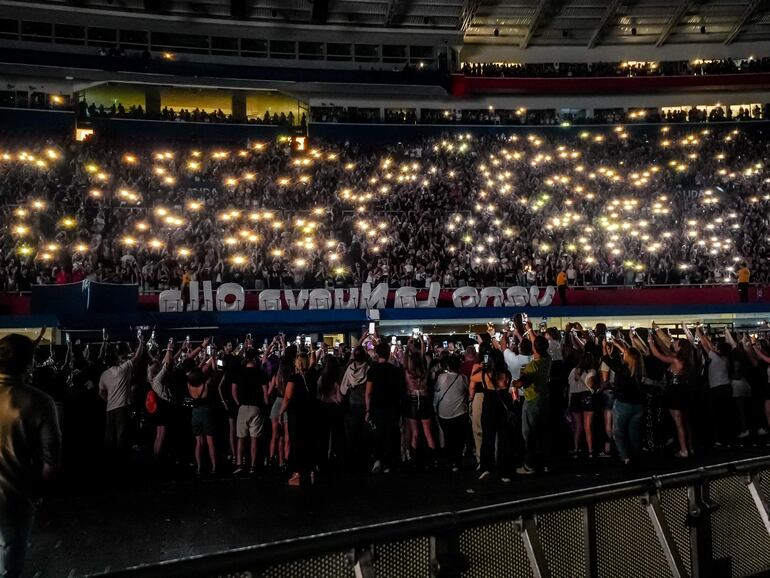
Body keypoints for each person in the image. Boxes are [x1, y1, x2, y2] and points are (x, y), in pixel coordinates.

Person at [0, 332, 61, 578]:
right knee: (8, 568)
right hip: (13, 502)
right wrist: (37, 493)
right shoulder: (40, 402)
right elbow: (51, 462)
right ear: (29, 363)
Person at [648, 330, 694, 458]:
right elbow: (666, 350)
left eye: (676, 343)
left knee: (678, 422)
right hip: (684, 390)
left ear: (680, 347)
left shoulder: (675, 359)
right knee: (685, 421)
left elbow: (657, 355)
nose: (674, 342)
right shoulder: (687, 359)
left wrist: (650, 341)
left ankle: (684, 450)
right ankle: (690, 448)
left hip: (675, 391)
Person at [98, 335, 144, 458]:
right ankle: (121, 461)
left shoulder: (104, 375)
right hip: (122, 407)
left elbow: (101, 392)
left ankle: (110, 460)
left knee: (110, 436)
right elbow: (137, 357)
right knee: (122, 436)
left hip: (110, 409)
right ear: (117, 360)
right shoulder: (122, 370)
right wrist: (141, 342)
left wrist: (108, 400)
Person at [603, 339, 646, 465]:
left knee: (619, 433)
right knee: (634, 434)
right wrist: (619, 345)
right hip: (638, 405)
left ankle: (626, 457)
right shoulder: (638, 368)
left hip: (623, 404)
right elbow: (631, 354)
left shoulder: (622, 369)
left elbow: (607, 359)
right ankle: (636, 458)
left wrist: (604, 347)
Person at [515, 334, 552, 475]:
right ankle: (545, 463)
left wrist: (513, 382)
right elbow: (540, 345)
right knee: (543, 433)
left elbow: (522, 383)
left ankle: (529, 465)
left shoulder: (532, 366)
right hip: (544, 399)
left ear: (534, 348)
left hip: (532, 400)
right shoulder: (547, 359)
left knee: (529, 434)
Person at [365, 342, 404, 474]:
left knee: (377, 434)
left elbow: (368, 393)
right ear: (388, 354)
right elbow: (400, 391)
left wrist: (367, 410)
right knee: (390, 434)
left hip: (377, 407)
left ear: (377, 354)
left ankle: (377, 460)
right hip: (393, 406)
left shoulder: (372, 370)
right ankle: (388, 462)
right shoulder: (396, 371)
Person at [279, 353, 314, 486]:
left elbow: (287, 397)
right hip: (310, 413)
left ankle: (297, 474)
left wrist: (281, 412)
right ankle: (310, 471)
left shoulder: (294, 378)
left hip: (297, 415)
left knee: (297, 443)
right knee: (308, 442)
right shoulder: (312, 375)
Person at [232, 350, 268, 475]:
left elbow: (234, 391)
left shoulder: (239, 373)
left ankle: (240, 464)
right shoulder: (260, 373)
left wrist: (238, 403)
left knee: (241, 438)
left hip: (242, 407)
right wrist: (265, 404)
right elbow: (265, 392)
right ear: (254, 359)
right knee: (254, 439)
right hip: (256, 407)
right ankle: (253, 465)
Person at [403, 337, 437, 466]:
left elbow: (405, 359)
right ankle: (433, 460)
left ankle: (414, 460)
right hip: (424, 400)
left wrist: (408, 345)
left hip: (412, 400)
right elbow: (423, 355)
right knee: (428, 433)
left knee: (415, 433)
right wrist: (422, 342)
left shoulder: (408, 372)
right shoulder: (425, 371)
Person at [433, 355, 469, 472]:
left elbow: (437, 394)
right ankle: (457, 462)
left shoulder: (441, 377)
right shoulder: (463, 378)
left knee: (448, 438)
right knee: (458, 438)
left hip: (444, 413)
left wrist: (434, 406)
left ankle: (450, 461)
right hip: (460, 412)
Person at [340, 346, 369, 471]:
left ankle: (351, 461)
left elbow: (343, 388)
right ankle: (364, 460)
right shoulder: (368, 369)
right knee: (364, 435)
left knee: (352, 435)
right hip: (365, 405)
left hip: (352, 406)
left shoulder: (349, 370)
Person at [187, 362, 217, 475]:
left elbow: (193, 374)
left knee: (198, 442)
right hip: (206, 412)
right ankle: (214, 466)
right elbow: (214, 372)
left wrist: (200, 364)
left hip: (195, 413)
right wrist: (211, 360)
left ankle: (199, 466)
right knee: (210, 442)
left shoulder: (189, 385)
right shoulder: (206, 385)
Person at [316, 353, 344, 471]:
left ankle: (322, 461)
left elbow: (318, 395)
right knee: (334, 435)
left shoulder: (322, 377)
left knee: (323, 435)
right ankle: (333, 458)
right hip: (334, 410)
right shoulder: (337, 380)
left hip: (322, 408)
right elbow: (339, 399)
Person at [567, 352, 597, 457]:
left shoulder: (573, 371)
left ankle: (576, 449)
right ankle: (590, 450)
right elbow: (591, 385)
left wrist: (569, 403)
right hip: (587, 397)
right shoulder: (591, 371)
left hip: (575, 398)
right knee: (587, 426)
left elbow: (570, 388)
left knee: (578, 426)